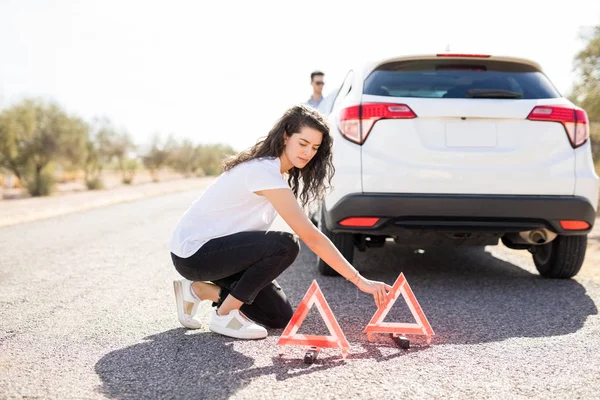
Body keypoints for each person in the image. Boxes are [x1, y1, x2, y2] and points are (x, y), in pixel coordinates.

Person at [169, 105, 392, 340]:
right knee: (286, 244)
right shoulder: (264, 171)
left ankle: (197, 290)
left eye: (315, 147)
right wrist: (359, 280)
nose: (308, 152)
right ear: (286, 137)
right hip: (194, 253)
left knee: (278, 316)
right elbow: (311, 236)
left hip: (221, 253)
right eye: (303, 143)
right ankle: (225, 315)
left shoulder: (277, 172)